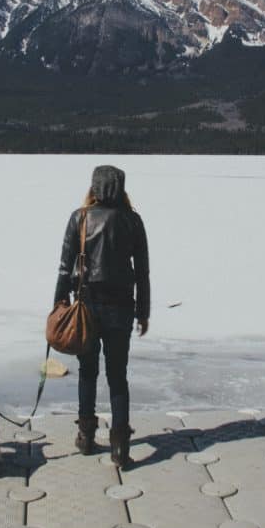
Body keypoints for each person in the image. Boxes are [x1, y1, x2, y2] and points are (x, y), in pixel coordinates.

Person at [54, 165, 149, 469]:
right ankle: (119, 447)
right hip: (121, 308)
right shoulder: (133, 221)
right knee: (118, 376)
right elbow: (143, 272)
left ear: (94, 188)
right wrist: (143, 311)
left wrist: (59, 302)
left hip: (86, 307)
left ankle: (86, 436)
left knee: (87, 371)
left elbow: (64, 267)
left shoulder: (80, 218)